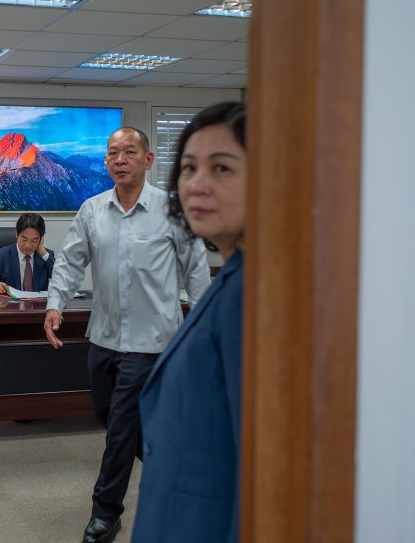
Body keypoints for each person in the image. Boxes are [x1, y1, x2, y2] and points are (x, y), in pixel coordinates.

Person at [44, 126, 211, 543]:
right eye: (112, 153)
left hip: (152, 342)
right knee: (109, 416)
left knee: (119, 428)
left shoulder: (173, 211)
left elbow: (195, 269)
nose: (120, 160)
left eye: (129, 152)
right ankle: (181, 471)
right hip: (103, 338)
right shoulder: (92, 209)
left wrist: (205, 324)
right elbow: (68, 262)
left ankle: (105, 514)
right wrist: (54, 305)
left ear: (148, 160)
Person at [132, 102, 247, 543]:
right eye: (188, 168)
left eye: (221, 168)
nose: (196, 185)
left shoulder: (255, 299)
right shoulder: (233, 278)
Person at [0, 213, 54, 294]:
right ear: (16, 234)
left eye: (34, 240)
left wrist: (43, 254)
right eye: (24, 239)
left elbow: (61, 279)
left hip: (38, 306)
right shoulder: (0, 256)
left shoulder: (46, 256)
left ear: (41, 238)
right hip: (11, 305)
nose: (28, 245)